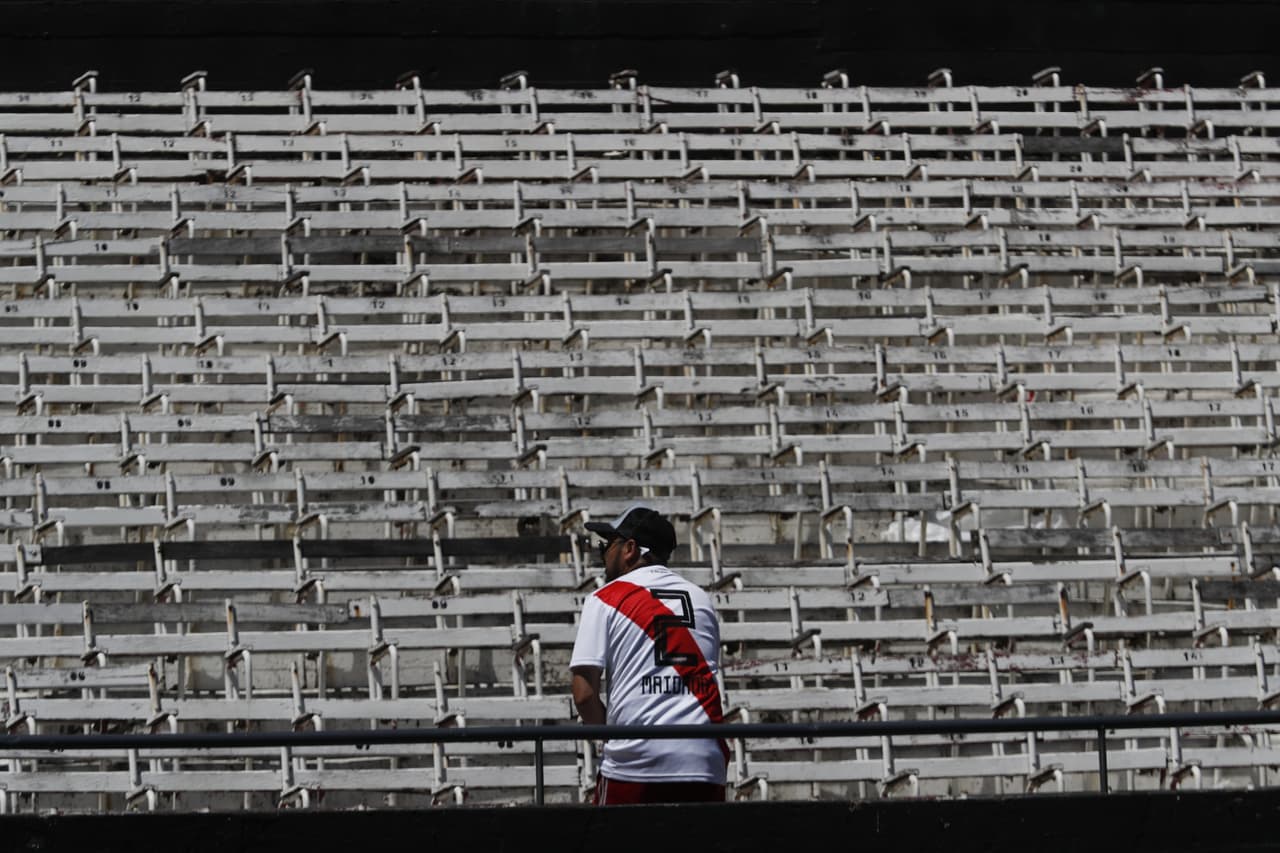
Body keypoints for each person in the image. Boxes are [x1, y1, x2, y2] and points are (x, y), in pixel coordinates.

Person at [569, 503, 728, 805]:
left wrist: (614, 739)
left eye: (607, 545)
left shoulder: (605, 598)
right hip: (704, 761)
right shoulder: (702, 600)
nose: (603, 554)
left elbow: (584, 694)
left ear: (630, 548)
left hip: (635, 764)